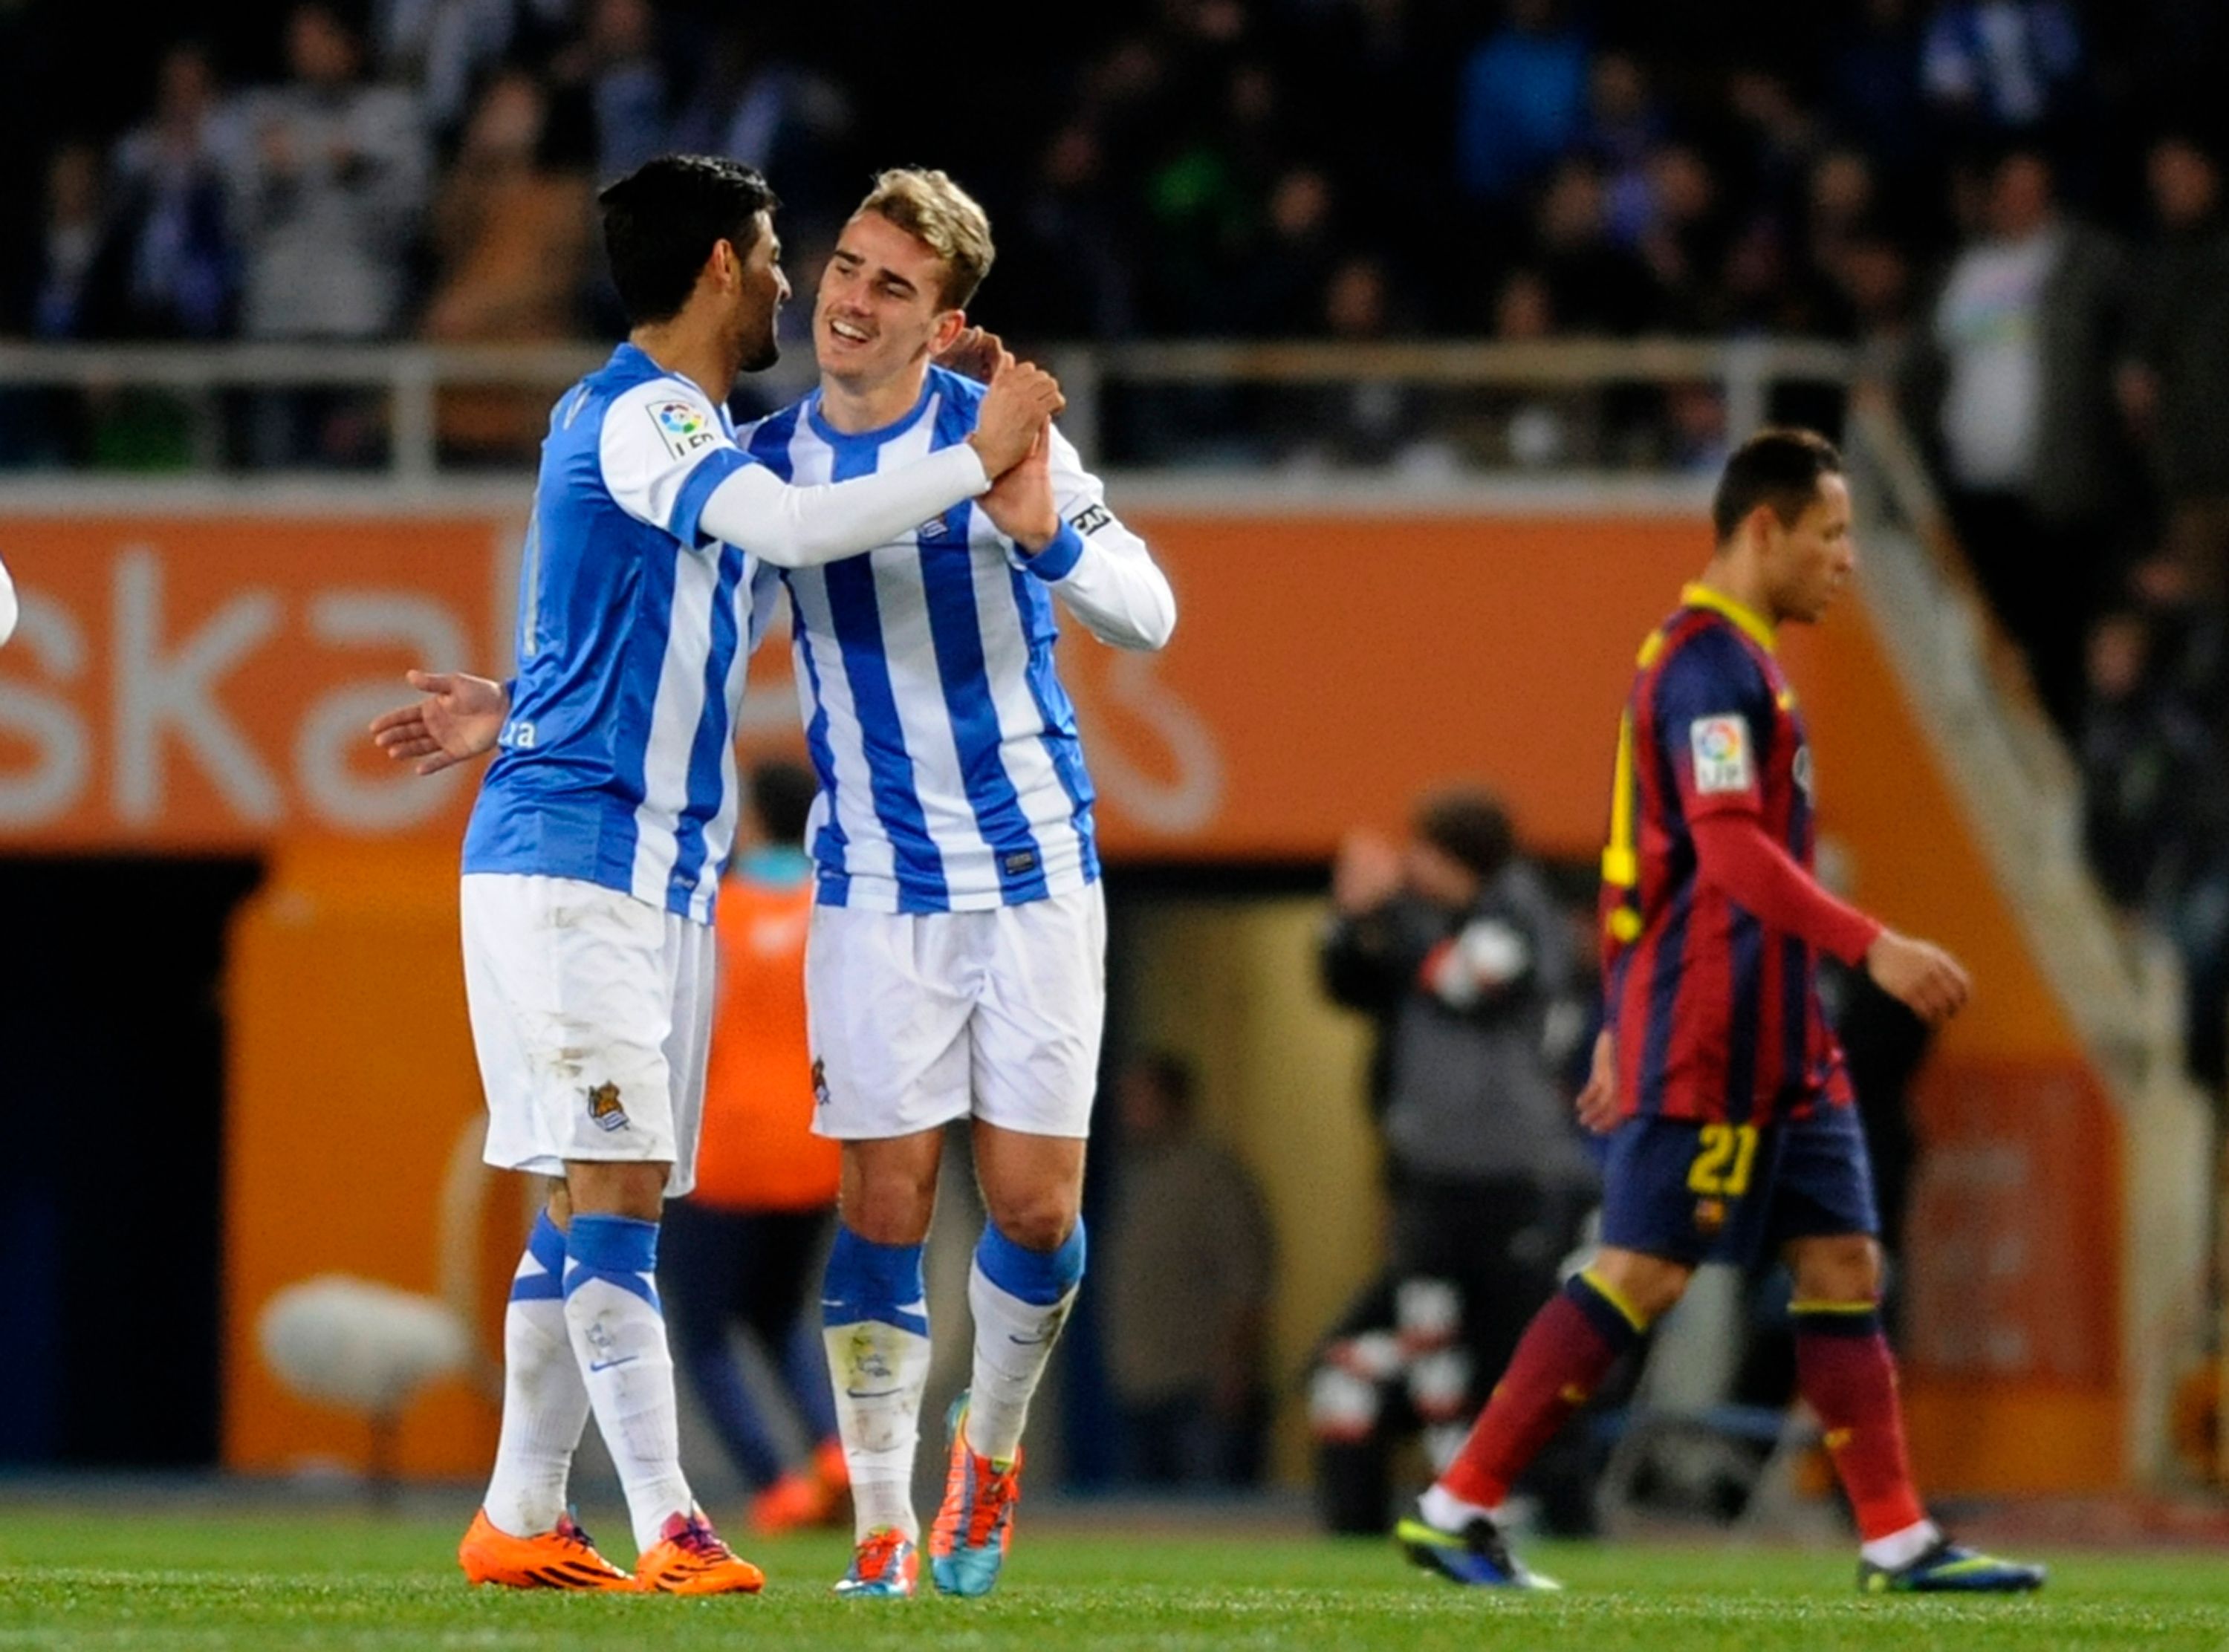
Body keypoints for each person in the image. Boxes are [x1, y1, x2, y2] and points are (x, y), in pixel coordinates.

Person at [367, 152, 1064, 1596]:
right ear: (717, 270)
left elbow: (654, 613)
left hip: (647, 864)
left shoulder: (693, 429)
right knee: (614, 1193)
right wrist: (981, 451)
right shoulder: (648, 414)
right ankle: (670, 1514)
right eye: (772, 253)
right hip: (576, 857)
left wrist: (517, 697)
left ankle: (517, 1508)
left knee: (589, 1203)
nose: (797, 283)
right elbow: (800, 533)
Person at [1393, 428, 2046, 1596]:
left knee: (1845, 1260)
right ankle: (1460, 1503)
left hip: (1782, 1034)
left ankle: (1897, 1538)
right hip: (1713, 1037)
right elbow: (1730, 855)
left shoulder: (1745, 664)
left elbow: (1634, 861)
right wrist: (1873, 944)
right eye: (1832, 533)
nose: (1847, 558)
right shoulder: (1704, 667)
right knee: (1644, 1272)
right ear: (1765, 530)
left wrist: (1617, 1012)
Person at [736, 166, 1177, 1599]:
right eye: (848, 270)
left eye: (892, 287)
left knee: (1038, 1211)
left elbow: (1150, 613)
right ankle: (879, 1522)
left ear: (946, 321)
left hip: (1039, 866)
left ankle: (988, 1455)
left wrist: (1045, 520)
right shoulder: (769, 465)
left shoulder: (1008, 439)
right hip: (871, 880)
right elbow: (691, 638)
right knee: (883, 1202)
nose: (853, 302)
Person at [1308, 787, 1599, 1538]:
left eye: (1424, 852)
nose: (1410, 866)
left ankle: (1540, 1511)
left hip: (1513, 1182)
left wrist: (1389, 913)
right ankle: (1427, 1508)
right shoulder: (1424, 923)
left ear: (1456, 855)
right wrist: (1350, 918)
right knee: (1375, 1360)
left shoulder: (1521, 911)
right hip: (1433, 1182)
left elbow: (1472, 980)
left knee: (1517, 1359)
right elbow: (1350, 982)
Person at [659, 755, 849, 1536]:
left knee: (702, 1331)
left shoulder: (716, 910)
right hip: (814, 1148)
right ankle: (835, 1448)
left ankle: (775, 1485)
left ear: (755, 819)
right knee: (776, 1314)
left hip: (725, 1150)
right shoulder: (831, 909)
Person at [1101, 1050, 1275, 1489]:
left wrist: (1234, 1368)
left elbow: (1247, 1278)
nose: (1127, 1112)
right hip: (1141, 1385)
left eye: (1139, 1099)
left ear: (1172, 1101)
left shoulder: (1212, 1175)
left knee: (1210, 1519)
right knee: (1147, 1525)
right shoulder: (1135, 1178)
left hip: (1199, 1389)